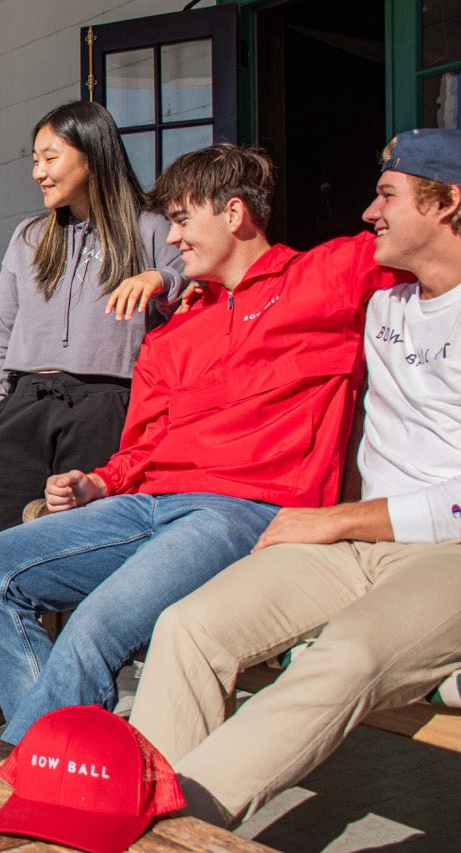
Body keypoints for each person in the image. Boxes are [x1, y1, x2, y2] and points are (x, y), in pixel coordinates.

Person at [0, 143, 411, 746]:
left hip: (245, 511)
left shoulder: (324, 277)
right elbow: (143, 448)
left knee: (96, 625)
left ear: (235, 214)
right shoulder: (177, 331)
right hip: (149, 504)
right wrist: (98, 482)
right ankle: (63, 753)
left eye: (182, 219)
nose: (169, 240)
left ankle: (37, 764)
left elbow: (430, 244)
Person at [128, 128, 461, 828]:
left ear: (447, 203)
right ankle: (141, 813)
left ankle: (170, 823)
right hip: (357, 548)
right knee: (189, 625)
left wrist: (337, 518)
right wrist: (176, 275)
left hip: (443, 555)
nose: (369, 211)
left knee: (349, 653)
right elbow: (269, 281)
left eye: (388, 196)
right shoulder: (383, 303)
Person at [0, 101, 185, 718]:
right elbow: (0, 328)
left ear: (93, 153)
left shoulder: (151, 232)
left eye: (50, 156)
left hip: (107, 404)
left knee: (91, 548)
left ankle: (87, 696)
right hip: (24, 404)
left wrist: (162, 281)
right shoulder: (31, 235)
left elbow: (196, 281)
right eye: (35, 159)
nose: (39, 171)